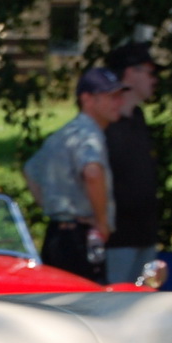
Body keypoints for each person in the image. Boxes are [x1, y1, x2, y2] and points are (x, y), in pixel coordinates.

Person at [24, 67, 127, 282]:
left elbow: (30, 171)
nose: (118, 102)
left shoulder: (64, 133)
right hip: (81, 237)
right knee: (88, 303)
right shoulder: (89, 134)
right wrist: (101, 222)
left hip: (56, 234)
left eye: (119, 96)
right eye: (111, 96)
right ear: (87, 99)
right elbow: (92, 172)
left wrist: (52, 207)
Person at [103, 42, 161, 284]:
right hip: (117, 241)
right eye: (149, 72)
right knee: (113, 310)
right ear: (129, 73)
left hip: (145, 236)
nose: (154, 80)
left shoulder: (138, 117)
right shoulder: (103, 123)